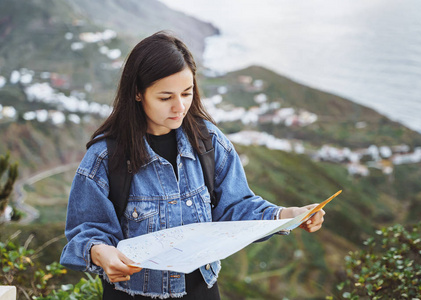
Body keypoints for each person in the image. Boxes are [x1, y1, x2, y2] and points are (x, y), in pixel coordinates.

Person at [60, 31, 325, 299]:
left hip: (203, 292)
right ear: (138, 93)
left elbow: (236, 207)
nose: (180, 106)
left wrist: (287, 216)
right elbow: (84, 231)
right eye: (165, 98)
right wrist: (100, 252)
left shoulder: (208, 142)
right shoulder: (106, 156)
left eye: (186, 93)